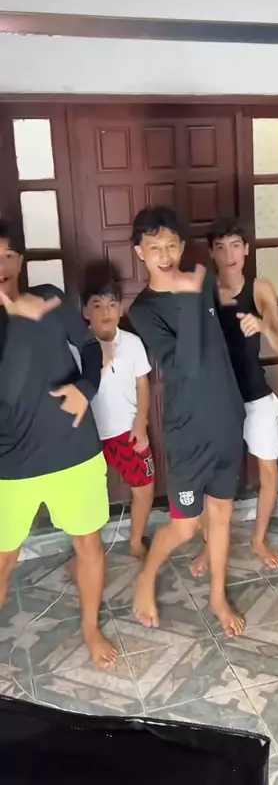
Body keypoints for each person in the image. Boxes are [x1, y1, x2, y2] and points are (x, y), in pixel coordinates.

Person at [0, 223, 117, 668]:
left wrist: (86, 389)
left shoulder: (49, 298)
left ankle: (90, 628)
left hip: (73, 449)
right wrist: (14, 317)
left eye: (8, 256)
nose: (1, 266)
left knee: (88, 545)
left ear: (20, 261)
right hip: (11, 462)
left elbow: (90, 347)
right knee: (3, 560)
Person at [128, 206, 246, 637]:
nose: (165, 255)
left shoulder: (204, 281)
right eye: (154, 247)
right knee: (184, 526)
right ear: (140, 252)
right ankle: (146, 577)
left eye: (171, 245)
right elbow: (185, 367)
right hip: (188, 431)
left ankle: (217, 597)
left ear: (181, 246)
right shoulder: (144, 310)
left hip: (226, 419)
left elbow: (219, 344)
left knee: (222, 514)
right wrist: (192, 296)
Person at [188, 218, 278, 573]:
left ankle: (258, 539)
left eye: (235, 246)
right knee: (208, 477)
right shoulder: (202, 289)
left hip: (255, 395)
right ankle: (208, 546)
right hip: (216, 400)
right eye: (221, 247)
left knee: (269, 469)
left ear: (246, 250)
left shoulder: (260, 288)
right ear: (212, 253)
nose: (229, 254)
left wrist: (264, 325)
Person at [82, 279, 155, 560]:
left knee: (145, 488)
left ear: (121, 309)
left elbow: (143, 385)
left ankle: (135, 541)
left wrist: (141, 424)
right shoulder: (77, 346)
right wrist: (101, 361)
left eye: (112, 305)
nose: (106, 312)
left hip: (128, 431)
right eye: (97, 305)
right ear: (86, 311)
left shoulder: (133, 343)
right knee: (86, 499)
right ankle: (89, 553)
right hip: (90, 436)